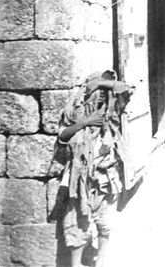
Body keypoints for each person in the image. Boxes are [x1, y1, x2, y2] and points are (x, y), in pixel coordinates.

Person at [55, 70, 134, 267]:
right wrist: (86, 122)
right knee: (77, 225)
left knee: (104, 223)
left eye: (103, 94)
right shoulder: (76, 113)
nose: (100, 99)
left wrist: (101, 83)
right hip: (79, 178)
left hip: (105, 177)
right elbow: (63, 136)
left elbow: (126, 88)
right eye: (96, 94)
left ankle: (101, 262)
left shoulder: (112, 114)